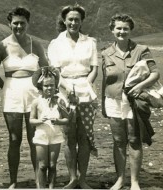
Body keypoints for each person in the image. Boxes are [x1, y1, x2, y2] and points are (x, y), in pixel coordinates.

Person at [0, 6, 48, 188]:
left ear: (28, 24)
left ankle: (39, 180)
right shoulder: (1, 46)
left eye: (22, 23)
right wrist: (6, 87)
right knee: (14, 139)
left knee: (34, 139)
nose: (19, 26)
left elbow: (46, 70)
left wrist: (40, 88)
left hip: (33, 95)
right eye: (15, 23)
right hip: (11, 95)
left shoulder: (35, 44)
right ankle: (13, 181)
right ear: (9, 24)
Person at [101, 13, 160, 190]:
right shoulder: (106, 53)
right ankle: (120, 179)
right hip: (112, 100)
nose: (122, 31)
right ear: (112, 30)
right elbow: (105, 80)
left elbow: (155, 74)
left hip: (133, 100)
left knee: (134, 140)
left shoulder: (141, 50)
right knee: (118, 140)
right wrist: (102, 103)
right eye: (118, 28)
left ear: (130, 30)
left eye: (125, 28)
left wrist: (140, 86)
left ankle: (134, 182)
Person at [47, 4, 99, 189]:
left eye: (77, 19)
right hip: (63, 91)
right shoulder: (56, 44)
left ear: (82, 21)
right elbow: (55, 72)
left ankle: (82, 179)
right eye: (70, 19)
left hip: (86, 91)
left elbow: (94, 69)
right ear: (64, 21)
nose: (74, 22)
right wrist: (67, 89)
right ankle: (72, 179)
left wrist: (87, 84)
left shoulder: (90, 42)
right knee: (69, 137)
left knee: (84, 136)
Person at [30, 66, 69, 189]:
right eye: (46, 86)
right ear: (41, 86)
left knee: (52, 165)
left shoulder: (60, 101)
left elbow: (67, 119)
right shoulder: (36, 102)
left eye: (52, 85)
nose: (49, 88)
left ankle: (51, 187)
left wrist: (58, 121)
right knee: (42, 165)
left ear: (56, 85)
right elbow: (31, 120)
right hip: (41, 136)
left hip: (55, 136)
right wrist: (39, 121)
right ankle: (41, 187)